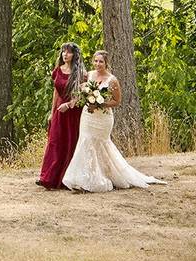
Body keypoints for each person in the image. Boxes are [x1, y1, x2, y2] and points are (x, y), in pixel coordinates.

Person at [61, 50, 166, 192]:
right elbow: (81, 94)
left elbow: (117, 101)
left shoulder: (112, 80)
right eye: (96, 61)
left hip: (103, 118)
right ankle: (84, 179)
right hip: (87, 116)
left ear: (106, 63)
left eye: (101, 61)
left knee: (101, 146)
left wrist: (100, 103)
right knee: (85, 143)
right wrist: (70, 104)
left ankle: (106, 176)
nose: (98, 64)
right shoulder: (89, 75)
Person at [37, 42, 85, 189]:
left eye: (69, 52)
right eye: (63, 51)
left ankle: (67, 179)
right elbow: (56, 93)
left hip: (73, 111)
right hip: (59, 110)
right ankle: (48, 178)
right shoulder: (58, 70)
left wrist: (69, 104)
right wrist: (52, 113)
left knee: (70, 142)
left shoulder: (81, 73)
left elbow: (82, 94)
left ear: (74, 55)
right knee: (55, 141)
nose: (65, 54)